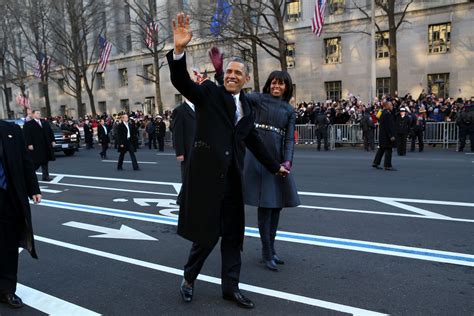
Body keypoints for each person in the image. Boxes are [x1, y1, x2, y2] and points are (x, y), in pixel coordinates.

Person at [168, 13, 289, 309]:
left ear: (246, 79)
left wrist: (276, 166)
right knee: (206, 238)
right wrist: (179, 52)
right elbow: (182, 81)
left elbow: (253, 141)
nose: (232, 76)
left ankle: (230, 288)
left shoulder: (248, 106)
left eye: (238, 73)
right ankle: (188, 278)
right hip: (208, 181)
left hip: (234, 183)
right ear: (223, 75)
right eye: (229, 72)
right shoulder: (209, 93)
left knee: (234, 238)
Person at [242, 70, 301, 271]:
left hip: (277, 159)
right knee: (265, 205)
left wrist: (287, 161)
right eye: (274, 83)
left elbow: (289, 140)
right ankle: (266, 253)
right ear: (269, 84)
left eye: (281, 84)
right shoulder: (258, 98)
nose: (276, 87)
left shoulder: (289, 110)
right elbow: (236, 95)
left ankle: (272, 250)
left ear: (287, 87)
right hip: (258, 156)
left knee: (276, 206)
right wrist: (220, 75)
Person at [0, 119, 41, 309]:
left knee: (8, 246)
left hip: (8, 197)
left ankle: (7, 290)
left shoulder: (12, 129)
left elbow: (25, 160)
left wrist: (34, 188)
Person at [171, 98, 197, 205]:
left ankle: (189, 197)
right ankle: (182, 199)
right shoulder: (180, 110)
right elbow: (177, 133)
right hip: (188, 149)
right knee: (187, 175)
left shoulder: (199, 108)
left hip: (200, 148)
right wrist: (179, 152)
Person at [22, 110, 56, 181]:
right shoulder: (28, 124)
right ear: (33, 115)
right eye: (37, 113)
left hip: (45, 145)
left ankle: (45, 176)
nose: (39, 114)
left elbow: (50, 132)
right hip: (35, 146)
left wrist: (53, 141)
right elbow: (26, 135)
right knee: (36, 163)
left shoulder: (45, 122)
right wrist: (29, 144)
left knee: (45, 161)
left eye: (40, 113)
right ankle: (29, 176)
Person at [372, 101, 397, 171]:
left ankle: (376, 162)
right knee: (389, 150)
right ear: (387, 106)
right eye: (391, 105)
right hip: (387, 136)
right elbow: (388, 126)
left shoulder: (383, 113)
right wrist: (391, 135)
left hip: (383, 135)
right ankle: (387, 165)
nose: (392, 106)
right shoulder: (387, 114)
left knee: (381, 149)